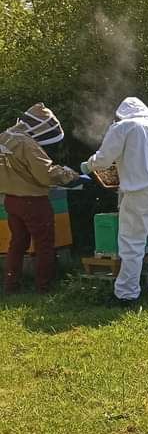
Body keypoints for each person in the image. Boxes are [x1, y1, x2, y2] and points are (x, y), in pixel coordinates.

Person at [82, 97, 148, 303]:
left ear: (122, 113)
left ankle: (126, 294)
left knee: (132, 243)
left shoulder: (124, 126)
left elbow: (104, 159)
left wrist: (88, 164)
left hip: (140, 191)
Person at [1, 103, 85, 294]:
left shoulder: (5, 137)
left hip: (11, 200)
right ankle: (44, 288)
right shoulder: (27, 144)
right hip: (33, 202)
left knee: (17, 243)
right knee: (44, 244)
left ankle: (11, 286)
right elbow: (45, 174)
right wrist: (70, 175)